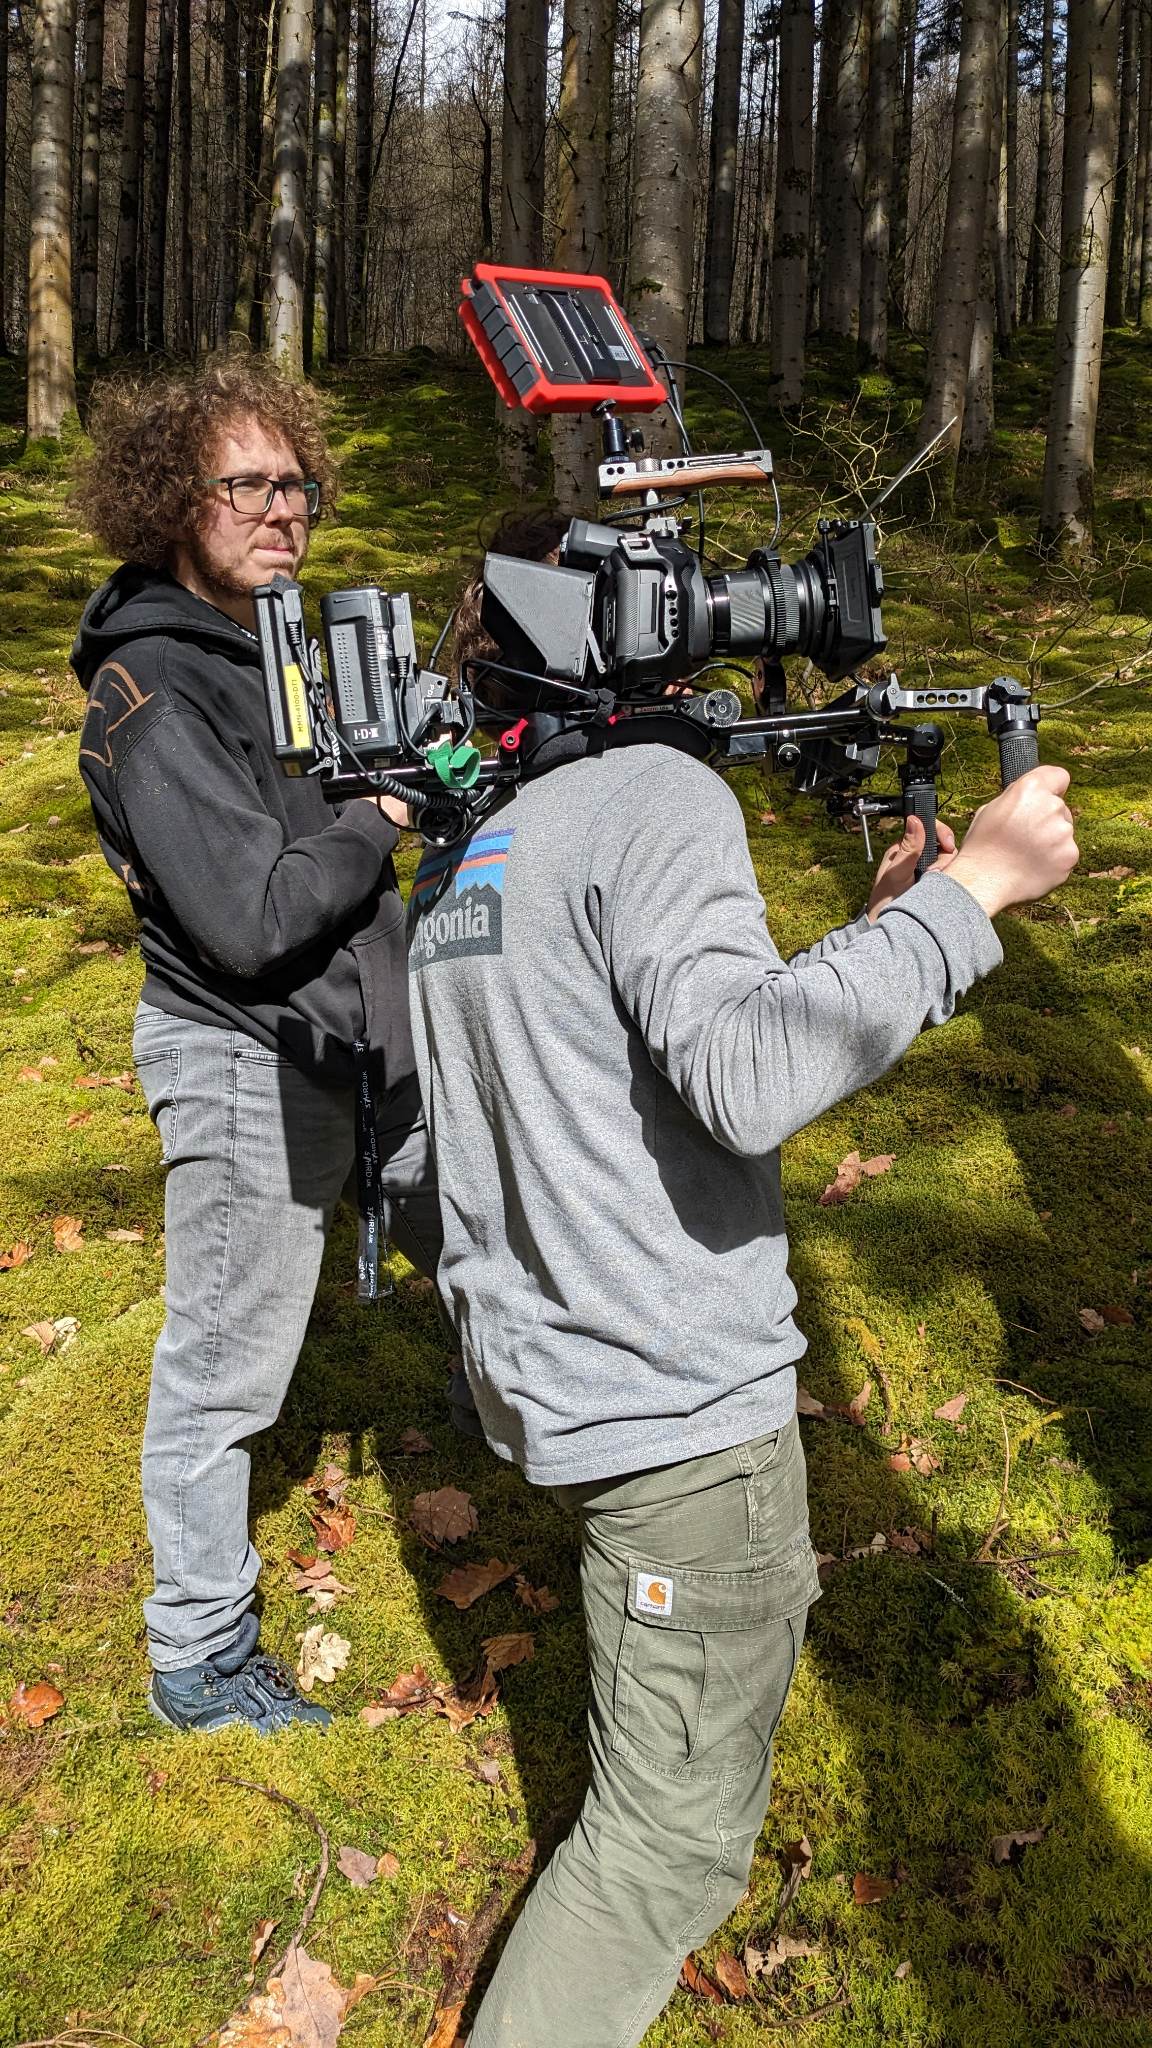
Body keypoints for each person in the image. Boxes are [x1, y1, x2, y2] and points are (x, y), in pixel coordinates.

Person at [408, 609, 1078, 2041]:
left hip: (563, 1386)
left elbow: (624, 1069)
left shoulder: (486, 837)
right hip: (674, 1423)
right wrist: (981, 897)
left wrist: (905, 920)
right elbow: (751, 1075)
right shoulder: (656, 796)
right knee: (659, 1855)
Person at [70, 354, 465, 1735]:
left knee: (480, 1238)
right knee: (226, 1364)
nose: (282, 509)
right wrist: (387, 818)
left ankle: (565, 1450)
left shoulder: (280, 641)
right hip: (245, 1053)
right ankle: (199, 1657)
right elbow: (252, 918)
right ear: (178, 498)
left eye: (296, 482)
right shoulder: (155, 692)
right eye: (248, 483)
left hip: (362, 1032)